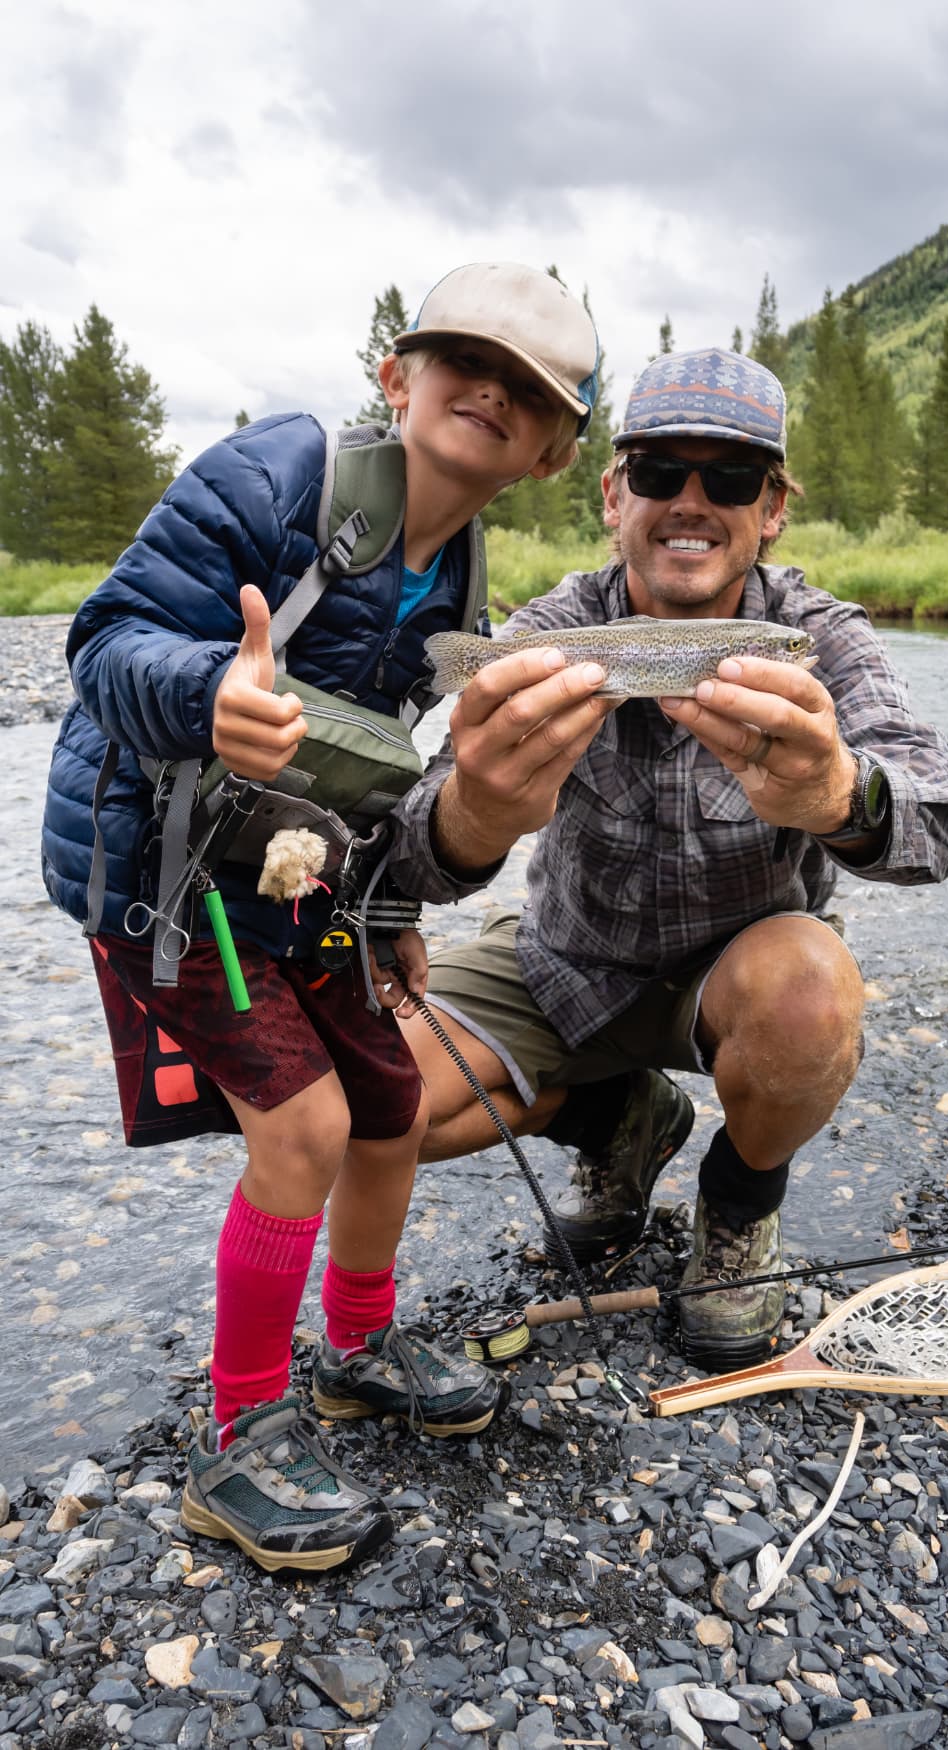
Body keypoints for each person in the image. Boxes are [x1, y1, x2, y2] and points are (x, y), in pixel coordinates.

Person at [40, 262, 601, 1573]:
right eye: (465, 359)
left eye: (529, 389)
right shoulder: (274, 476)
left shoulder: (459, 584)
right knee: (307, 1126)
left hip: (297, 872)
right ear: (397, 376)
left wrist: (396, 904)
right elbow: (105, 641)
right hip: (158, 864)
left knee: (394, 1099)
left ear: (550, 452)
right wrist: (208, 694)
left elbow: (377, 769)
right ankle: (237, 1434)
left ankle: (354, 1347)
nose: (490, 392)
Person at [390, 346, 948, 1371]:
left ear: (775, 506)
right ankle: (619, 1119)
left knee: (810, 990)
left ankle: (738, 1203)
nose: (691, 503)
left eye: (732, 478)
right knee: (367, 1096)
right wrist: (471, 814)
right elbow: (402, 847)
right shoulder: (548, 630)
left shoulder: (815, 637)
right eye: (661, 473)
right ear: (614, 493)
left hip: (741, 977)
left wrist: (844, 796)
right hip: (562, 961)